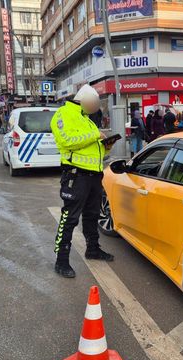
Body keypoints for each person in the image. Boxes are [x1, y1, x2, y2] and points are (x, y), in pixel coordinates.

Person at [50, 84, 115, 278]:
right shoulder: (63, 114)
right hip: (76, 176)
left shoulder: (87, 119)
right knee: (69, 218)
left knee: (92, 215)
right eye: (93, 103)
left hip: (94, 175)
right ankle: (61, 260)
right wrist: (95, 135)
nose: (95, 108)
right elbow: (67, 140)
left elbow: (93, 148)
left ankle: (93, 249)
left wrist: (107, 147)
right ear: (83, 100)